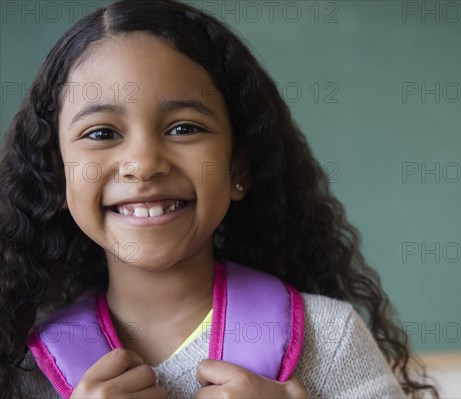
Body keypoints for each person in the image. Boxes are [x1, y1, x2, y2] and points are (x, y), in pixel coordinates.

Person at [0, 0, 437, 397]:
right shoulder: (23, 367)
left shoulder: (329, 336)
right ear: (55, 179)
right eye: (101, 133)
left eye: (184, 127)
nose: (144, 163)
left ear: (238, 169)